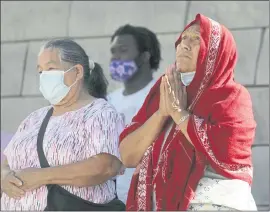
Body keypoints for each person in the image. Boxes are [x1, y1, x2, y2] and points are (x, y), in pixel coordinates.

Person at [119, 14, 258, 211]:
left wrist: (179, 113)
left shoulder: (232, 96)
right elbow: (127, 155)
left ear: (215, 52)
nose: (185, 45)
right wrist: (162, 113)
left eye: (196, 39)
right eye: (184, 38)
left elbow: (228, 153)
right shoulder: (164, 89)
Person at [1, 39, 125, 210]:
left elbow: (106, 166)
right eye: (40, 71)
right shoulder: (34, 118)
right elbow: (7, 163)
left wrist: (42, 176)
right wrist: (4, 177)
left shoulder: (101, 112)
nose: (44, 76)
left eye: (51, 68)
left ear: (77, 71)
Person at [107, 24, 161, 203]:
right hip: (112, 200)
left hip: (149, 199)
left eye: (123, 50)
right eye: (113, 51)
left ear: (145, 56)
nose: (115, 57)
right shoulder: (107, 101)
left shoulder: (162, 96)